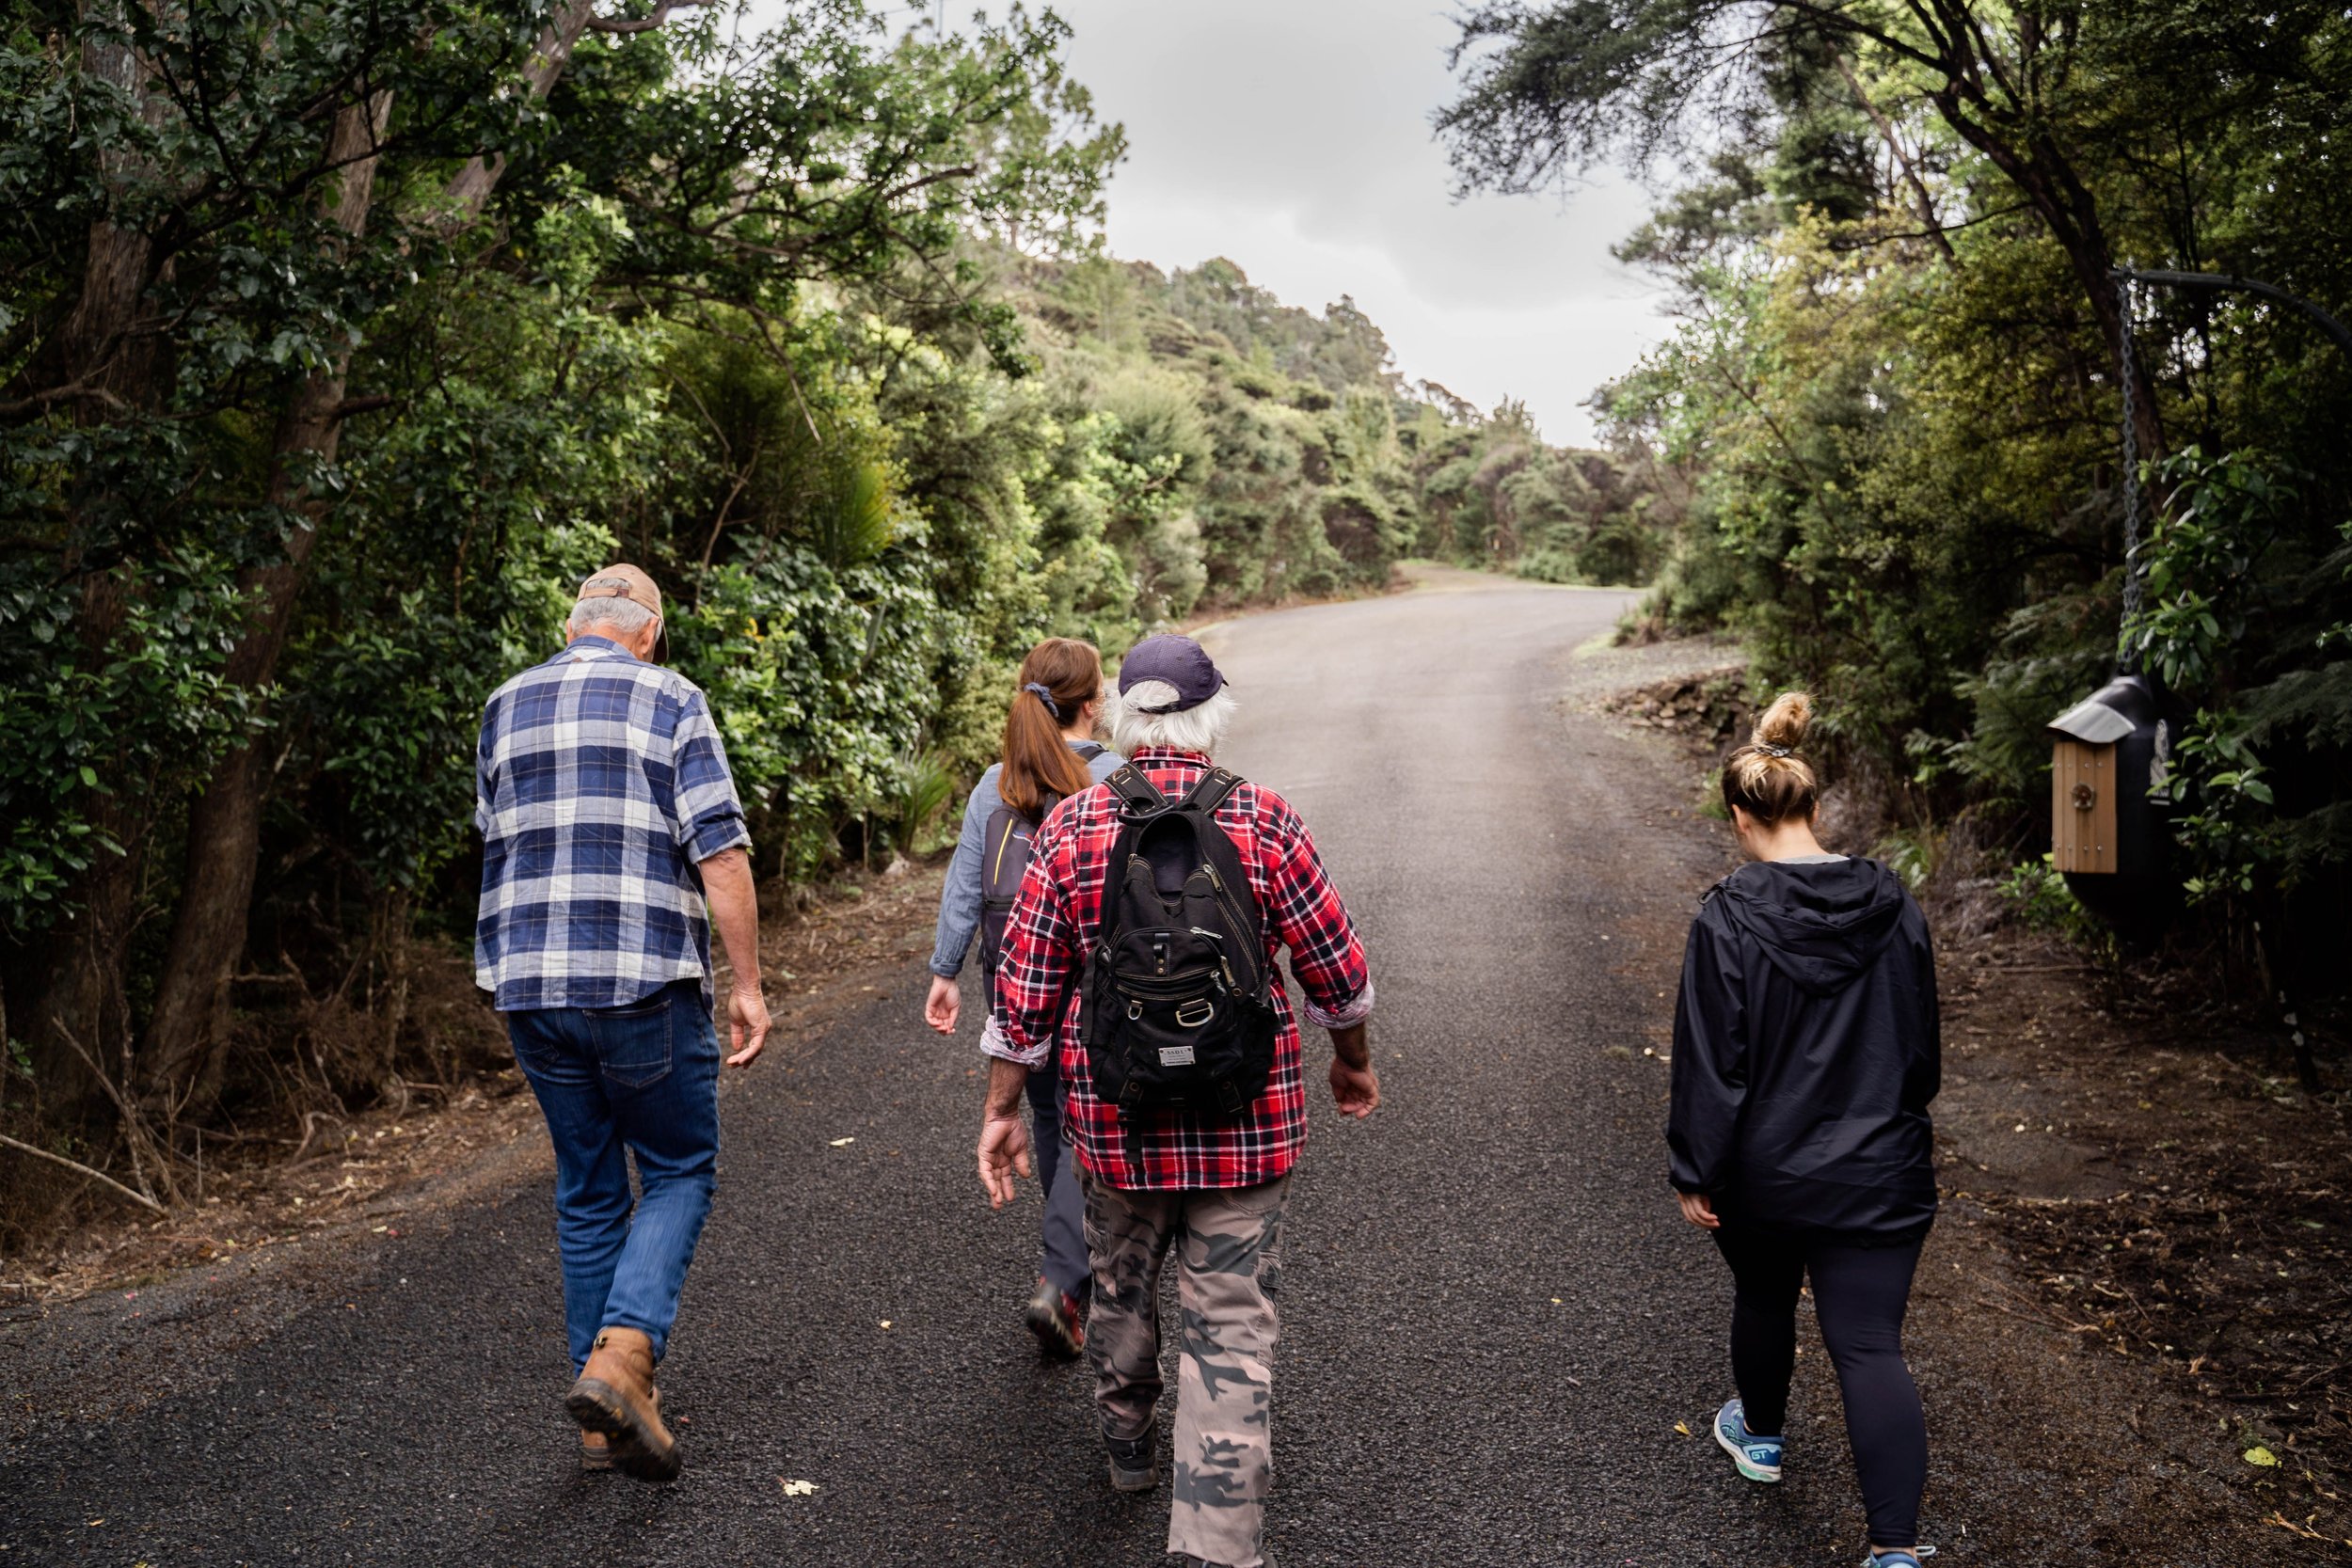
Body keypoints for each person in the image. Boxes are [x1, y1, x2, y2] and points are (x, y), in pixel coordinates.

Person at [976, 633, 1377, 1568]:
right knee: (1231, 1320)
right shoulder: (1266, 818)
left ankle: (1127, 1440)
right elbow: (1339, 975)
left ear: (1121, 712)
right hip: (1247, 1121)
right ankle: (1216, 1542)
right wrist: (1350, 1060)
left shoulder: (1075, 824)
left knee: (1121, 1279)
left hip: (1117, 1122)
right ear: (1212, 714)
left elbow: (1024, 994)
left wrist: (1002, 1107)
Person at [473, 563, 771, 1483]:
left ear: (574, 626)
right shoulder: (671, 697)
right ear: (646, 631)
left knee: (588, 1182)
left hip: (530, 988)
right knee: (679, 1164)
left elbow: (496, 835)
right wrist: (748, 984)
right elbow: (718, 852)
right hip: (641, 982)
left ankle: (599, 1420)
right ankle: (623, 1357)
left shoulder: (503, 703)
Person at [1667, 692, 1942, 1568]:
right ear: (1814, 807)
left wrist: (1695, 1167)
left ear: (1741, 817)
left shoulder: (1728, 917)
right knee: (1868, 1343)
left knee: (1764, 1293)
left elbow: (1714, 1062)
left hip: (1766, 1173)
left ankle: (1762, 1435)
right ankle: (1894, 1551)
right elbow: (1920, 1050)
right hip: (1879, 1168)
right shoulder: (1894, 904)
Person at [924, 637, 1123, 1356]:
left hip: (1009, 969)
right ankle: (1066, 1276)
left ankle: (1066, 1265)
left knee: (1046, 1109)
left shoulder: (996, 782)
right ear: (1094, 701)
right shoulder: (1117, 778)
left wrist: (945, 971)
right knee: (1089, 1116)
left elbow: (966, 885)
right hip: (1093, 973)